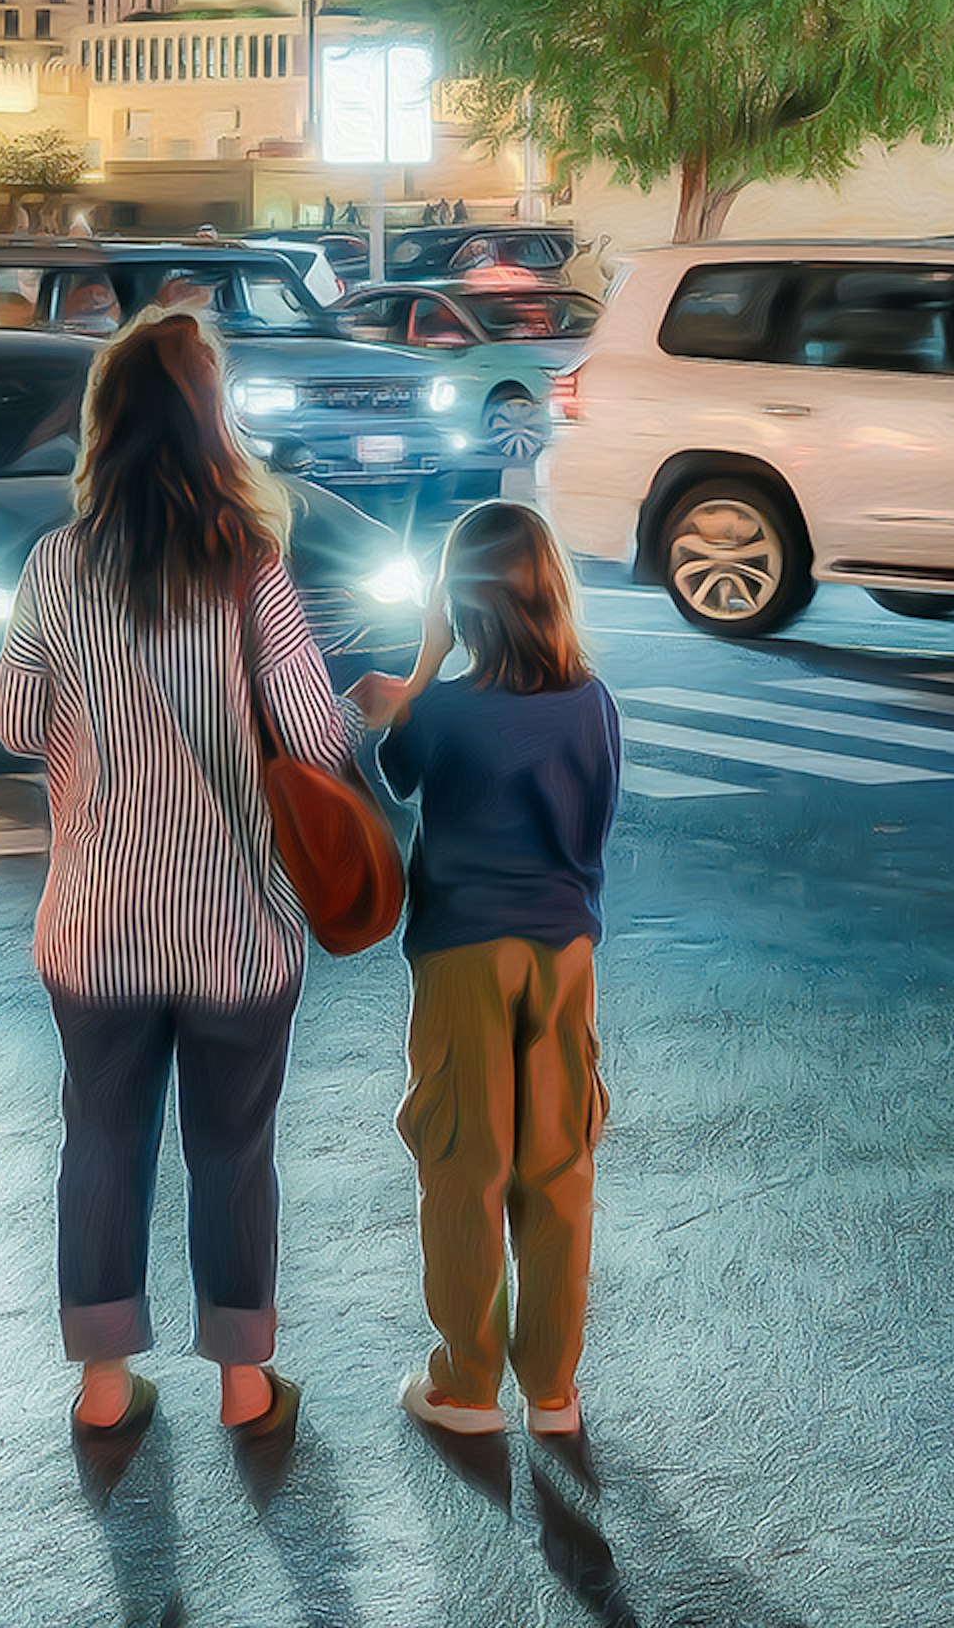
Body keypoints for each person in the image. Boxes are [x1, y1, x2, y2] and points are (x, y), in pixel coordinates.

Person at [0, 307, 358, 1447]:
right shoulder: (248, 565)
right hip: (234, 928)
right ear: (211, 424)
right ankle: (245, 1386)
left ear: (103, 427)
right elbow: (315, 734)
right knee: (232, 1150)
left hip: (95, 927)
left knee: (100, 1139)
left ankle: (104, 1388)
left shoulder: (56, 564)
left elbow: (8, 720)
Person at [350, 502, 618, 1442]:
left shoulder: (449, 712)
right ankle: (554, 1390)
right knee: (559, 1164)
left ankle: (468, 1386)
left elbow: (399, 772)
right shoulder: (592, 702)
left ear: (459, 605)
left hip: (466, 948)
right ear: (549, 591)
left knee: (466, 1160)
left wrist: (423, 667)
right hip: (565, 950)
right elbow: (594, 827)